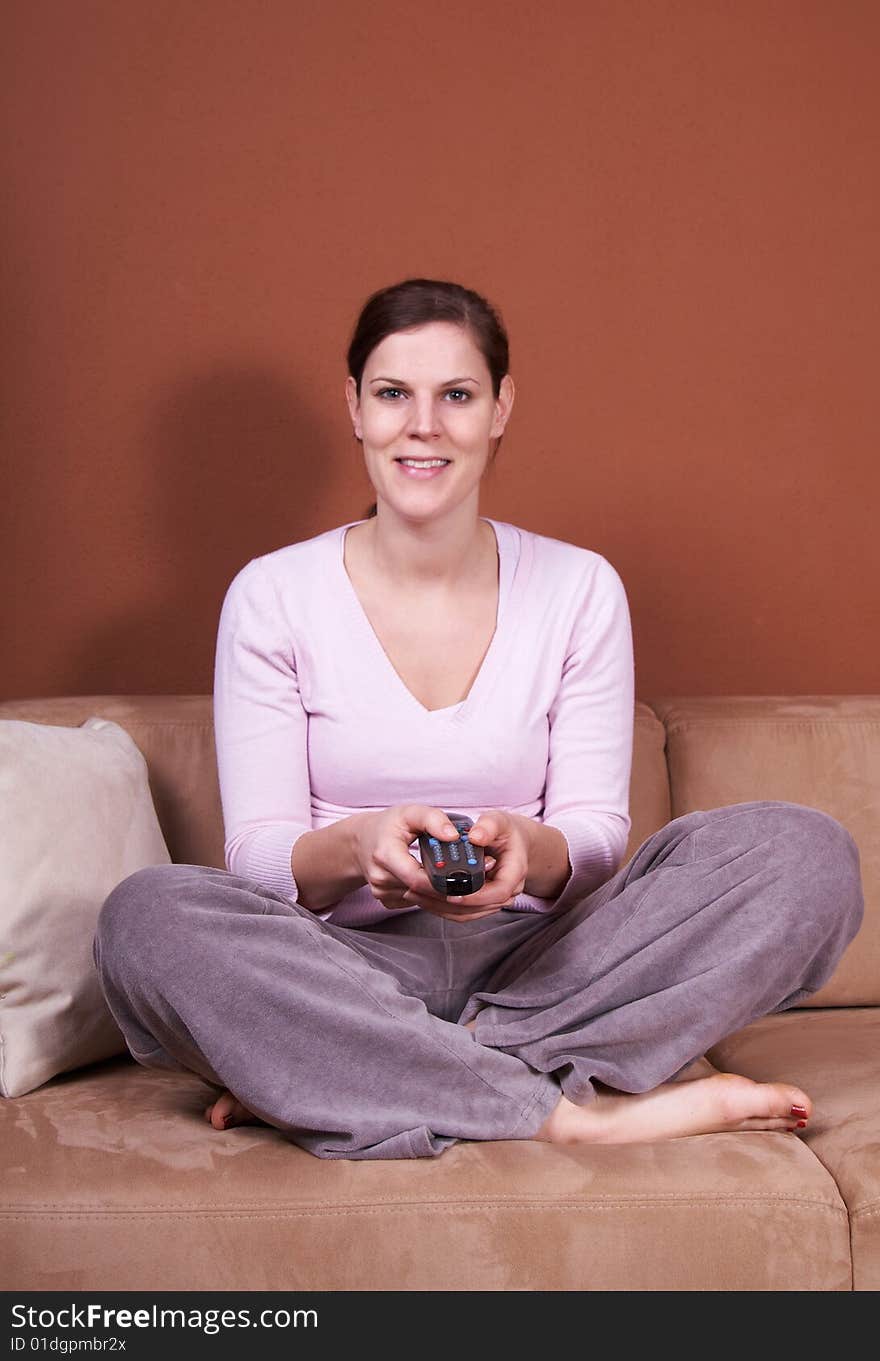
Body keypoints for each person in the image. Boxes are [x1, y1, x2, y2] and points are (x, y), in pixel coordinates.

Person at [94, 278, 864, 1160]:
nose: (423, 426)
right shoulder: (273, 594)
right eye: (393, 394)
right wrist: (360, 845)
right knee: (145, 918)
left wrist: (527, 850)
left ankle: (353, 1075)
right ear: (353, 407)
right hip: (341, 969)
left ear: (500, 408)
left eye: (456, 395)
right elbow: (261, 861)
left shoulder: (580, 589)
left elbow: (596, 839)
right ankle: (567, 1112)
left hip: (549, 963)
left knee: (807, 855)